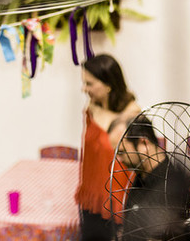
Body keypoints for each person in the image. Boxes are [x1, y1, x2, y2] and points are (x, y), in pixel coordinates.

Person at [77, 54, 143, 240]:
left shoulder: (132, 113)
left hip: (116, 200)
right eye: (84, 83)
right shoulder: (91, 106)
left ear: (108, 84)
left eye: (89, 84)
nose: (84, 89)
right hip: (91, 195)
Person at [116, 116, 190, 241]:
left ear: (143, 144)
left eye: (121, 152)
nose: (119, 160)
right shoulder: (140, 178)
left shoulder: (171, 185)